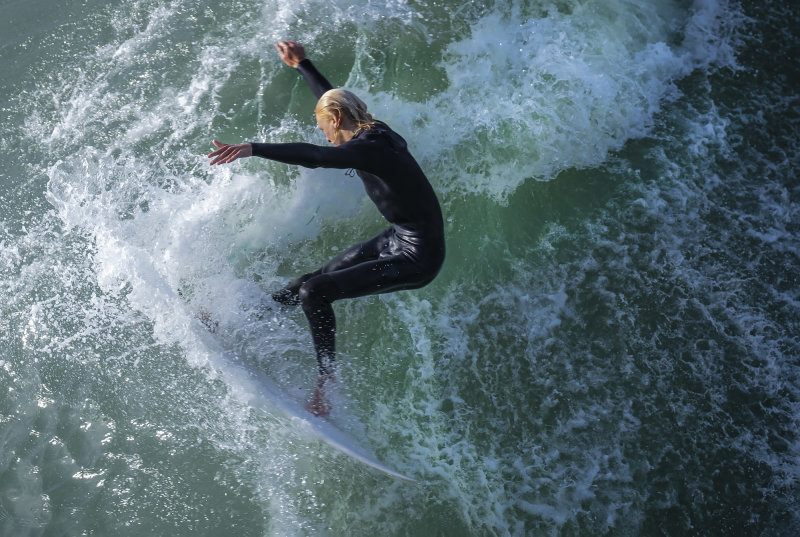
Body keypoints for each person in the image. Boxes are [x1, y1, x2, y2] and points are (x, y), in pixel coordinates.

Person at [208, 41, 445, 416]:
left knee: (316, 292)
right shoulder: (371, 129)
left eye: (323, 126)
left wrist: (253, 148)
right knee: (312, 279)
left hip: (418, 257)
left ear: (335, 120)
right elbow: (332, 97)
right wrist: (302, 64)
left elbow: (317, 157)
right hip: (400, 237)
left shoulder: (371, 149)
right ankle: (239, 321)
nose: (323, 133)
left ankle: (327, 384)